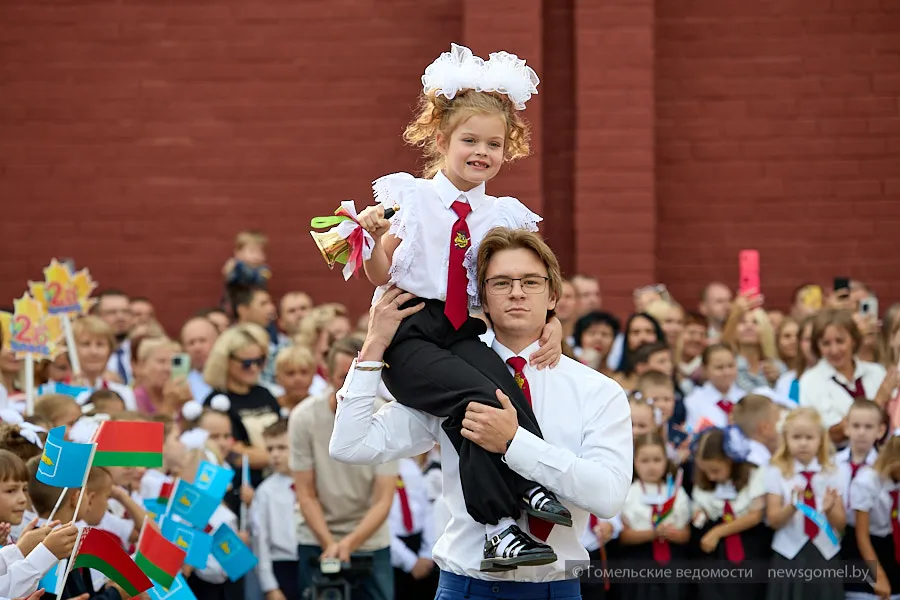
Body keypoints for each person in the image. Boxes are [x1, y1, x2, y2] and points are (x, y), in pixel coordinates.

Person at [330, 227, 631, 596]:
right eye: (501, 283)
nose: (517, 292)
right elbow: (350, 445)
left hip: (557, 588)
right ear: (482, 299)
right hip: (466, 586)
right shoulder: (450, 378)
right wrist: (375, 345)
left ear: (553, 295)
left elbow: (609, 497)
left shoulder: (597, 391)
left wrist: (513, 442)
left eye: (531, 282)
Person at [353, 43, 566, 564]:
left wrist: (551, 321)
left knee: (498, 390)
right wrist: (375, 239)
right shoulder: (409, 198)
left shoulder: (502, 216)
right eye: (469, 140)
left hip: (462, 330)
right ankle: (511, 505)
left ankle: (507, 524)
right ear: (441, 139)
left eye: (494, 144)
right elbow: (379, 274)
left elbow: (527, 277)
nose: (481, 152)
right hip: (408, 330)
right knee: (477, 393)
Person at [290, 336, 396, 600]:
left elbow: (383, 498)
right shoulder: (304, 418)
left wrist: (348, 544)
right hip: (315, 538)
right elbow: (305, 493)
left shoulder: (384, 414)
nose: (350, 386)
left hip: (371, 540)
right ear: (326, 374)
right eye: (343, 377)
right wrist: (329, 544)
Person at [764, 407, 845, 600]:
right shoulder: (776, 472)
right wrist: (792, 507)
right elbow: (773, 520)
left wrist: (830, 509)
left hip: (824, 552)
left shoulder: (832, 472)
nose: (803, 443)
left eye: (809, 437)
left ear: (821, 439)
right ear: (786, 438)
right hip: (789, 553)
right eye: (796, 437)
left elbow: (841, 524)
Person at [691, 428, 768, 600]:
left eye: (716, 470)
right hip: (714, 553)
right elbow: (700, 509)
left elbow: (755, 516)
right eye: (706, 471)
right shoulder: (703, 483)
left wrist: (717, 532)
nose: (710, 476)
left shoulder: (755, 475)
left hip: (748, 544)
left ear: (731, 461)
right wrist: (699, 514)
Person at [618, 432, 690, 600]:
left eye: (657, 460)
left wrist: (673, 534)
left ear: (666, 461)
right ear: (634, 462)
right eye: (645, 461)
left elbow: (686, 534)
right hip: (637, 562)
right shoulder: (627, 493)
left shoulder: (676, 491)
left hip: (671, 562)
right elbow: (623, 536)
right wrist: (653, 533)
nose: (651, 466)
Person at [251, 420, 299, 600]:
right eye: (270, 449)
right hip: (282, 566)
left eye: (282, 448)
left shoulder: (317, 484)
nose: (275, 455)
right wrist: (269, 586)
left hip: (316, 562)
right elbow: (260, 540)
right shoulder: (265, 491)